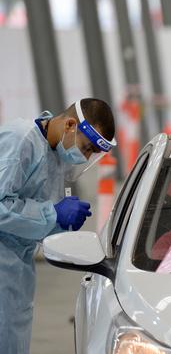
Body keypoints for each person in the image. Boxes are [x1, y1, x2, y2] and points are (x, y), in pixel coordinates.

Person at [0, 98, 116, 353]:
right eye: (86, 149)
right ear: (70, 124)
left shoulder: (55, 158)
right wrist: (52, 214)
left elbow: (35, 221)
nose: (83, 157)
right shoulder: (20, 140)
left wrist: (60, 227)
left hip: (16, 268)